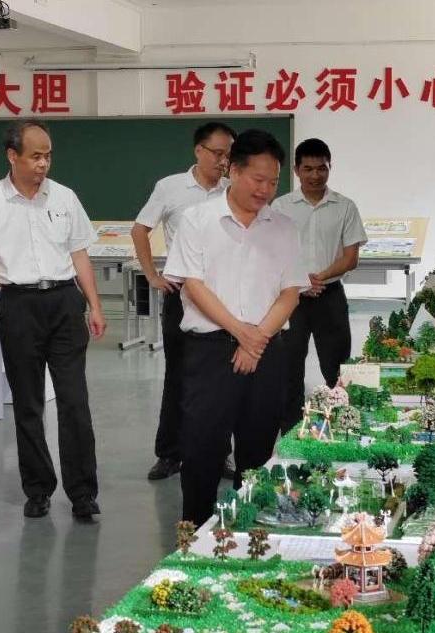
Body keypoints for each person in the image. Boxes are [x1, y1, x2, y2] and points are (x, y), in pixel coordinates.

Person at [163, 129, 308, 527]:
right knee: (202, 450)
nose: (265, 190)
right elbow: (194, 285)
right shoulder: (197, 220)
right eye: (258, 179)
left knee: (257, 451)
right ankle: (194, 538)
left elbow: (291, 293)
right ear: (234, 171)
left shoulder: (284, 227)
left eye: (273, 182)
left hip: (267, 351)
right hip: (210, 352)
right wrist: (243, 334)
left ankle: (249, 535)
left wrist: (256, 340)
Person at [0, 120, 106, 522]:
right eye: (35, 156)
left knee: (74, 401)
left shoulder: (64, 197)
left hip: (64, 302)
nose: (43, 163)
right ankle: (38, 489)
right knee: (27, 403)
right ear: (13, 156)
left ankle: (83, 492)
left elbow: (80, 255)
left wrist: (95, 305)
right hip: (19, 305)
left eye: (48, 156)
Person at [131, 121, 236, 481]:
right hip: (182, 294)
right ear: (198, 151)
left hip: (222, 296)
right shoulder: (170, 187)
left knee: (221, 376)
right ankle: (170, 453)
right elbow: (140, 229)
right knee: (178, 373)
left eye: (228, 155)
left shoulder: (232, 190)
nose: (223, 161)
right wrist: (151, 275)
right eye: (217, 153)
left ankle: (220, 454)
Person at [272, 138, 367, 434]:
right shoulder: (280, 207)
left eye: (321, 168)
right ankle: (291, 433)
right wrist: (301, 281)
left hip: (330, 296)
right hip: (291, 298)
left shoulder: (345, 207)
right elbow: (272, 254)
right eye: (308, 169)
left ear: (330, 167)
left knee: (337, 366)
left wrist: (319, 277)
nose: (315, 175)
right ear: (297, 171)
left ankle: (340, 427)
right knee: (288, 367)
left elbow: (350, 258)